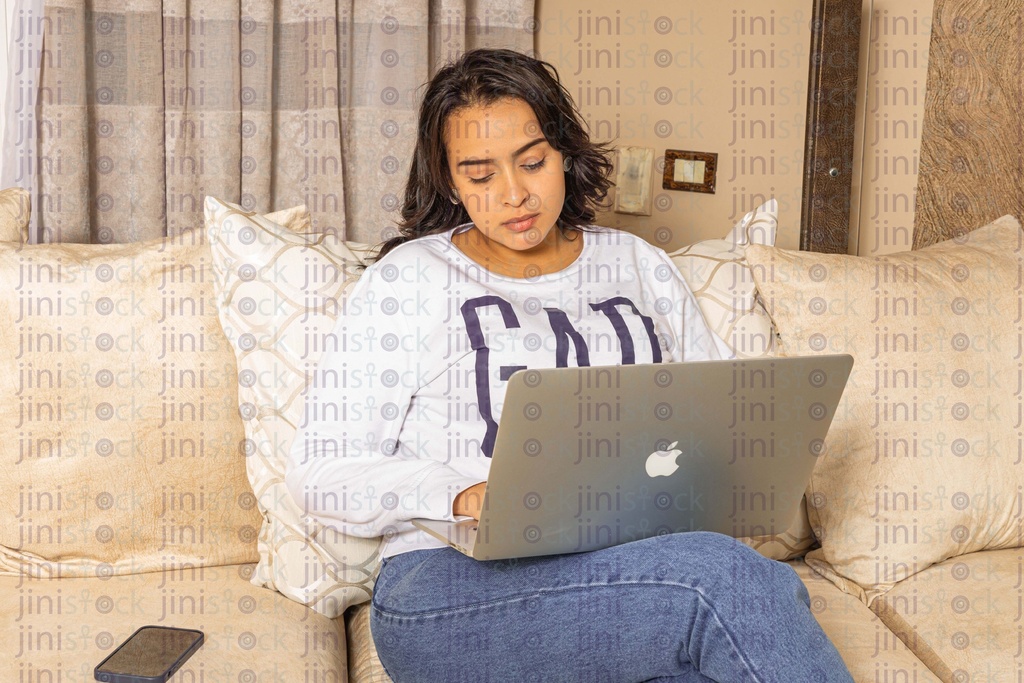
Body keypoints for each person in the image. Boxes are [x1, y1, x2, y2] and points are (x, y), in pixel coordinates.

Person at [286, 48, 853, 682]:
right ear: (448, 180)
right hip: (450, 585)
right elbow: (319, 471)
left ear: (564, 153)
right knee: (726, 582)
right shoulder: (409, 281)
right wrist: (460, 493)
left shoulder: (638, 266)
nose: (513, 194)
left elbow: (718, 413)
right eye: (479, 175)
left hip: (630, 566)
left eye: (532, 162)